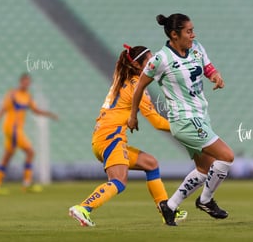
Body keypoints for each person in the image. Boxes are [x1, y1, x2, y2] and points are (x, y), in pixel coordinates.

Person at [128, 14, 235, 226]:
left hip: (200, 116)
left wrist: (216, 76)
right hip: (184, 120)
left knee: (205, 169)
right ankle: (205, 200)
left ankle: (170, 205)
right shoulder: (161, 59)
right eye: (188, 31)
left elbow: (208, 68)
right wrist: (133, 115)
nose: (193, 34)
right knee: (226, 156)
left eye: (193, 30)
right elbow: (140, 85)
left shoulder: (196, 48)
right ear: (174, 35)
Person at [68, 45, 187, 227]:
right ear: (139, 66)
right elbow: (156, 122)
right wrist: (186, 127)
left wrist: (132, 115)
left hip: (104, 137)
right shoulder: (136, 86)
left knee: (151, 163)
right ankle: (84, 208)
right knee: (119, 181)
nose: (154, 62)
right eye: (149, 60)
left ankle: (166, 210)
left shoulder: (121, 78)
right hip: (110, 138)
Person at [0, 73, 58, 194]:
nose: (26, 84)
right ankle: (26, 184)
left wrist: (49, 114)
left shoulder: (27, 96)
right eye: (24, 81)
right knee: (30, 152)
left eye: (28, 82)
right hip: (12, 128)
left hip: (17, 129)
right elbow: (3, 109)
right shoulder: (12, 94)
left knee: (7, 156)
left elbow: (36, 111)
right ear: (20, 82)